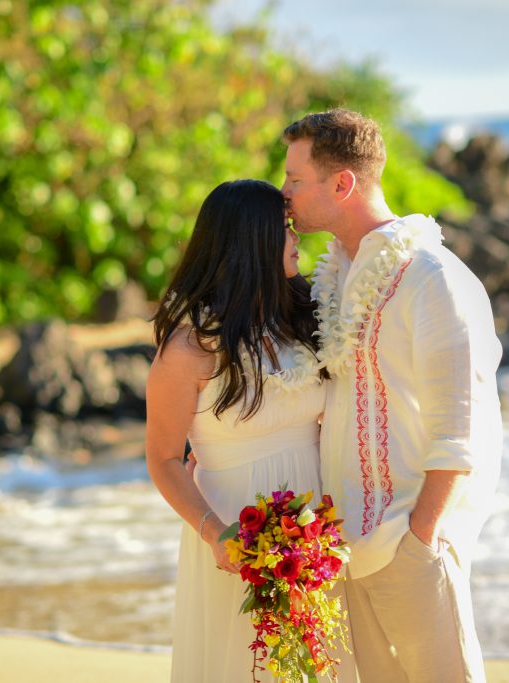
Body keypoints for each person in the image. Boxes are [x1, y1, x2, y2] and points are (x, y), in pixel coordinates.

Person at [281, 109, 503, 683]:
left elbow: (462, 430)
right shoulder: (335, 275)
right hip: (345, 548)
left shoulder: (433, 278)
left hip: (409, 543)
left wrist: (418, 541)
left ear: (342, 184)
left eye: (295, 180)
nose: (285, 194)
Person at [145, 179, 353, 682]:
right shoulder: (191, 348)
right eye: (283, 229)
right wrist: (217, 535)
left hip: (315, 527)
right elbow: (164, 459)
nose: (296, 236)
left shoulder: (304, 318)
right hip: (233, 532)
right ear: (252, 242)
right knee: (245, 664)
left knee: (318, 665)